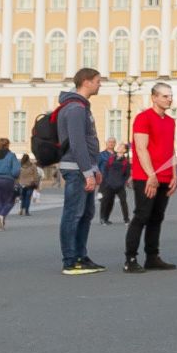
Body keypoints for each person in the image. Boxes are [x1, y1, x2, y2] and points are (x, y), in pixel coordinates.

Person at [123, 81, 177, 271]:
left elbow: (170, 148)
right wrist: (151, 175)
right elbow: (140, 147)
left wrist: (174, 174)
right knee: (142, 216)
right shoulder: (143, 118)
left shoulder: (171, 121)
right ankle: (130, 259)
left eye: (170, 96)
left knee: (157, 217)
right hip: (146, 176)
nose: (169, 99)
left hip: (164, 176)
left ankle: (152, 256)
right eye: (165, 96)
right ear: (154, 97)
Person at [55, 68, 105, 274]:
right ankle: (70, 260)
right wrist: (87, 172)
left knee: (84, 213)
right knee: (73, 214)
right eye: (97, 81)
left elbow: (86, 142)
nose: (100, 84)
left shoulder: (81, 107)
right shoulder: (75, 108)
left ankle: (80, 255)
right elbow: (77, 144)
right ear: (86, 82)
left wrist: (94, 167)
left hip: (83, 168)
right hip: (75, 169)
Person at [97, 138, 132, 225]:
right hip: (109, 184)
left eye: (121, 146)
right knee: (106, 201)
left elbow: (127, 174)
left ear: (124, 150)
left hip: (120, 185)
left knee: (123, 202)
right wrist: (106, 180)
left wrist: (123, 182)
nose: (119, 147)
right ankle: (103, 218)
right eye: (119, 145)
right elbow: (106, 170)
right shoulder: (111, 158)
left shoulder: (126, 162)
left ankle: (126, 219)